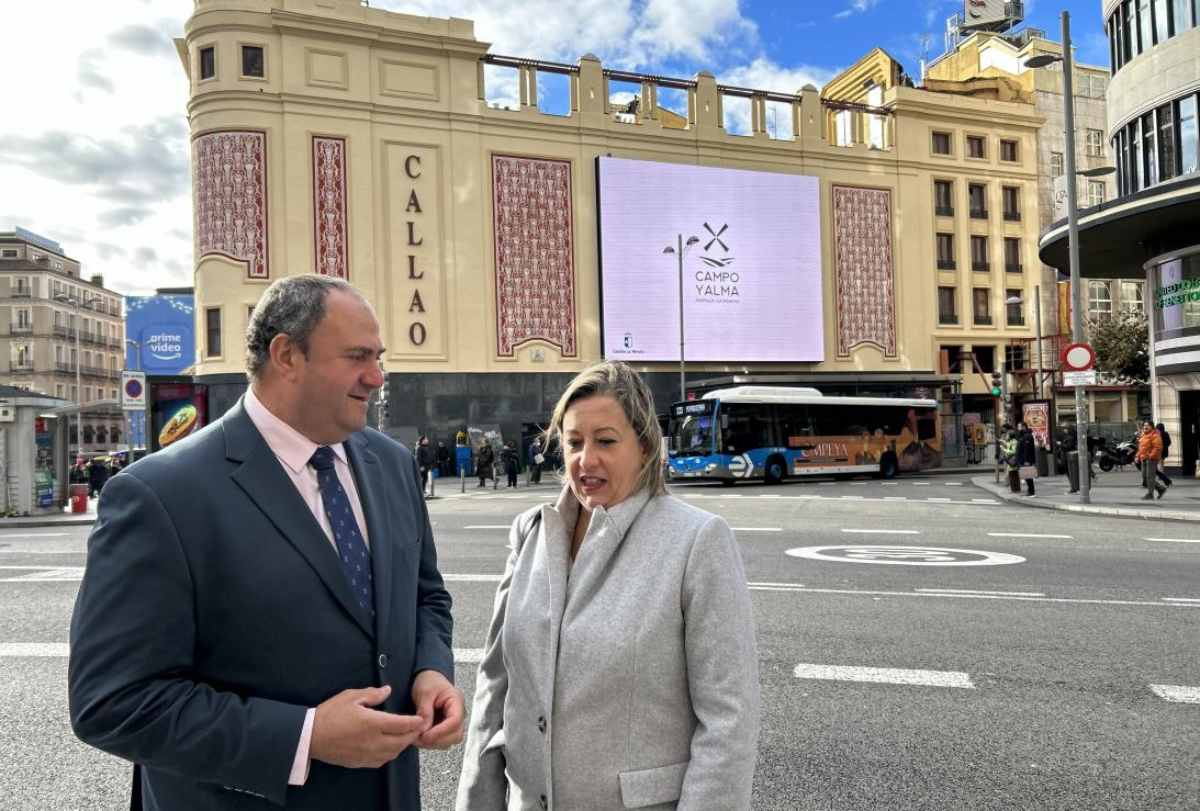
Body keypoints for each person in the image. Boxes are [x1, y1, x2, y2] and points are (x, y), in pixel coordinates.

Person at [68, 275, 463, 810]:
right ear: (286, 356)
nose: (377, 377)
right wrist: (305, 736)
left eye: (379, 356)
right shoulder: (159, 494)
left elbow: (426, 596)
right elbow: (113, 702)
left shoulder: (390, 463)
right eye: (357, 357)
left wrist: (430, 669)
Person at [457, 361, 760, 811]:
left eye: (605, 441)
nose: (586, 459)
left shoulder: (696, 541)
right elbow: (496, 687)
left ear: (643, 446)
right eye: (574, 442)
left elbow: (728, 721)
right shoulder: (531, 533)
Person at [1136, 419, 1167, 500]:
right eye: (1144, 425)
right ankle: (1161, 489)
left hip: (1151, 459)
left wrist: (1150, 456)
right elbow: (1141, 448)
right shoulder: (1143, 435)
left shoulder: (1155, 435)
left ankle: (1150, 494)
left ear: (1152, 427)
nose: (1145, 427)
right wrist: (1137, 456)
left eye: (1147, 425)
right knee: (1145, 477)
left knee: (1150, 477)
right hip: (1144, 458)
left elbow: (1157, 448)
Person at [1016, 422, 1036, 497]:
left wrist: (1027, 460)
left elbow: (1027, 450)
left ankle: (1031, 491)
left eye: (1019, 426)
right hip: (1022, 459)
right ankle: (1030, 491)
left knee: (1028, 476)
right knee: (1026, 475)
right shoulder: (1022, 435)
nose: (1018, 428)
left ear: (1023, 427)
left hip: (1026, 460)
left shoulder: (1027, 436)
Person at [1002, 429, 1020, 494]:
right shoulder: (1010, 441)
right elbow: (1008, 446)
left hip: (1013, 460)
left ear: (1010, 435)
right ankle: (1014, 489)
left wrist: (1005, 450)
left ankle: (1015, 489)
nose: (1006, 436)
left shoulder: (1014, 442)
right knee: (1012, 474)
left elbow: (1013, 451)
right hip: (1010, 460)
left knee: (1013, 475)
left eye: (1007, 435)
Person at [1156, 422, 1173, 490]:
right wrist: (1165, 446)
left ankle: (1161, 476)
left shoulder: (1157, 434)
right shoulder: (1166, 433)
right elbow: (1169, 442)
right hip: (1164, 451)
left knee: (1158, 464)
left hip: (1158, 451)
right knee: (1161, 463)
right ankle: (1161, 475)